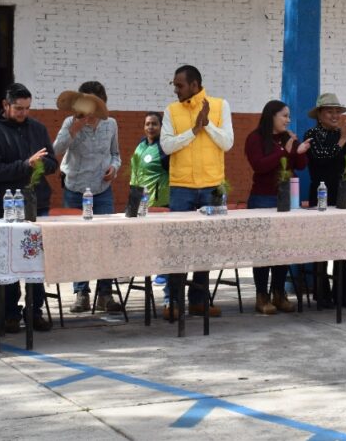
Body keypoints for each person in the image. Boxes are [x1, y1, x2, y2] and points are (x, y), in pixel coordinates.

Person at [0, 83, 57, 333]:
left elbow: (53, 162)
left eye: (27, 108)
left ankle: (35, 311)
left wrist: (42, 164)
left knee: (37, 263)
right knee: (10, 262)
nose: (24, 113)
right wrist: (26, 165)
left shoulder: (38, 128)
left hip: (37, 203)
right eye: (19, 108)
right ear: (5, 105)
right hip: (7, 206)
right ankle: (10, 313)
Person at [159, 65, 234, 319]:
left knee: (206, 246)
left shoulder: (220, 105)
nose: (176, 90)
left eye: (180, 85)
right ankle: (173, 300)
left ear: (194, 84)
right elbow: (167, 146)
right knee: (176, 245)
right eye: (174, 85)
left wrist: (206, 124)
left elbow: (227, 143)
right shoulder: (171, 110)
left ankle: (199, 300)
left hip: (212, 186)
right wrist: (193, 131)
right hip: (181, 187)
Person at [53, 81, 122, 313]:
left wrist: (114, 168)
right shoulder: (70, 122)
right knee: (79, 241)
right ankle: (81, 292)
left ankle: (105, 293)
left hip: (102, 190)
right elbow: (55, 150)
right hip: (75, 190)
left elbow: (115, 154)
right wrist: (74, 129)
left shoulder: (110, 124)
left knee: (106, 241)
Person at [243, 100, 310, 314]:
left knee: (283, 248)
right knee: (262, 250)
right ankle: (261, 296)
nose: (288, 120)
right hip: (263, 199)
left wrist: (299, 150)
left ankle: (279, 294)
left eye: (289, 116)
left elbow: (300, 166)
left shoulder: (286, 138)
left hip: (286, 199)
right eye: (284, 116)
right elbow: (259, 166)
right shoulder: (255, 138)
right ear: (271, 116)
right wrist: (284, 151)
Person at [303, 93, 346, 309]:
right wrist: (343, 140)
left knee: (344, 246)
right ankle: (322, 293)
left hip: (344, 194)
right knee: (322, 246)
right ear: (319, 115)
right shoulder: (312, 134)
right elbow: (322, 158)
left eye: (337, 111)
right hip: (321, 195)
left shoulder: (344, 134)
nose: (335, 115)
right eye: (330, 111)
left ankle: (343, 293)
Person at [129, 112, 170, 209]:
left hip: (157, 204)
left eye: (154, 124)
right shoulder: (141, 143)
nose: (150, 127)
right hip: (137, 200)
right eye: (147, 124)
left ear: (161, 126)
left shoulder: (164, 147)